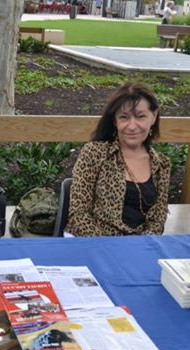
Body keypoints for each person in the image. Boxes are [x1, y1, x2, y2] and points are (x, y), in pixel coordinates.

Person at [64, 82, 170, 237]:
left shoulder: (161, 164)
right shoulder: (95, 153)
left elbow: (157, 220)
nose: (132, 126)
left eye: (140, 116)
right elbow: (79, 214)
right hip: (93, 242)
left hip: (138, 246)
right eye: (124, 117)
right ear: (115, 121)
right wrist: (112, 247)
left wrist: (140, 246)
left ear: (153, 116)